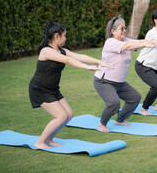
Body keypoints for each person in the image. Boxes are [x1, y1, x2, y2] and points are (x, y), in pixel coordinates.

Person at [29, 21, 112, 149]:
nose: (65, 39)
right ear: (57, 36)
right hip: (39, 89)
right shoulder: (46, 51)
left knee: (68, 114)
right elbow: (68, 60)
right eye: (64, 36)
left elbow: (80, 56)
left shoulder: (62, 50)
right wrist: (86, 67)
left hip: (52, 89)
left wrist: (99, 62)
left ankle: (49, 139)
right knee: (61, 116)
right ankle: (40, 142)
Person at [93, 16, 157, 132]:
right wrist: (145, 45)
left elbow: (139, 42)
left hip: (120, 83)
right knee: (114, 103)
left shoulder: (126, 40)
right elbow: (129, 46)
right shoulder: (110, 42)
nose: (124, 31)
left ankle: (119, 120)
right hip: (104, 81)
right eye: (122, 29)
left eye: (125, 28)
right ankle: (102, 124)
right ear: (113, 31)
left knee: (135, 97)